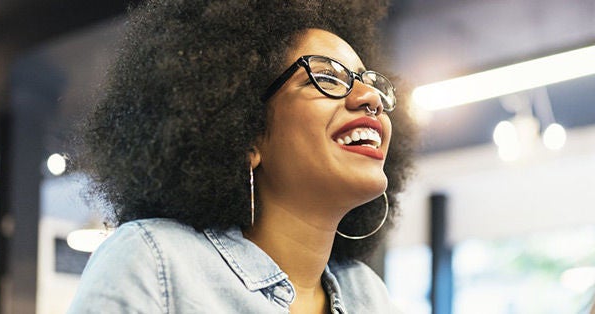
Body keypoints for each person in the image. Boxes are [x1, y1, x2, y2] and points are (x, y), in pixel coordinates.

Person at [67, 0, 416, 313]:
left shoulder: (369, 296)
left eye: (369, 82)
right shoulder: (154, 263)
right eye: (325, 76)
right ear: (244, 131)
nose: (370, 97)